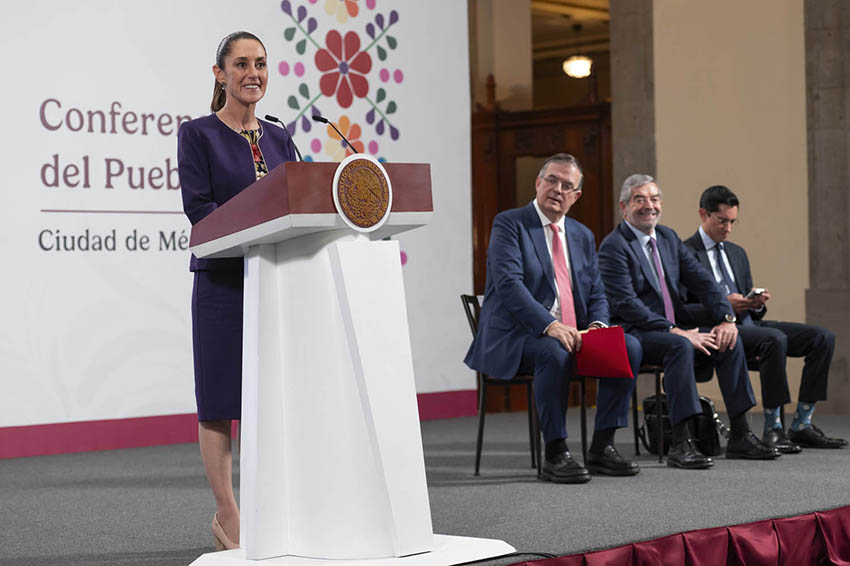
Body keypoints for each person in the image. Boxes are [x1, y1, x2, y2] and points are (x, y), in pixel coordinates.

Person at [177, 31, 297, 551]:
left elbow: (299, 200)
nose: (253, 73)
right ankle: (228, 512)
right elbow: (199, 211)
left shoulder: (279, 135)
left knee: (271, 400)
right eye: (242, 64)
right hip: (224, 283)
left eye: (262, 64)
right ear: (219, 73)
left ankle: (274, 503)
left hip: (277, 283)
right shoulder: (197, 133)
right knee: (220, 401)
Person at [464, 153, 643, 484]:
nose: (557, 189)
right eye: (551, 180)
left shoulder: (581, 234)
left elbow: (597, 292)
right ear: (538, 183)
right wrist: (549, 325)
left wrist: (598, 327)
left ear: (576, 196)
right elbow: (508, 285)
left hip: (573, 333)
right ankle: (556, 452)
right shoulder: (510, 223)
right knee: (553, 351)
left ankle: (602, 446)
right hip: (517, 335)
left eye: (567, 185)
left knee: (628, 346)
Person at [598, 174, 778, 469]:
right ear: (624, 206)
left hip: (675, 325)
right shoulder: (614, 246)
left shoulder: (667, 238)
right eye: (639, 199)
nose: (649, 206)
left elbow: (704, 281)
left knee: (728, 340)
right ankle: (682, 442)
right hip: (638, 330)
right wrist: (675, 330)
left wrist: (727, 318)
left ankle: (741, 434)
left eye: (654, 199)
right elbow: (625, 305)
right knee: (679, 346)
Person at [683, 185, 847, 452]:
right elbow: (683, 306)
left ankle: (802, 424)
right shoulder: (685, 253)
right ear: (703, 214)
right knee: (775, 339)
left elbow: (751, 308)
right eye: (722, 221)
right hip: (715, 328)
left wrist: (754, 303)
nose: (728, 228)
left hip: (748, 324)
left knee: (822, 337)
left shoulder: (737, 253)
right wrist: (725, 306)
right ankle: (774, 427)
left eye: (733, 222)